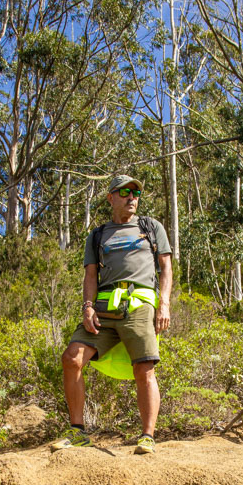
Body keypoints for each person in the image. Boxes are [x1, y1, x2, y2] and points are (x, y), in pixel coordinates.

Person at [52, 174, 172, 454]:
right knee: (72, 358)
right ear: (110, 198)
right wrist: (88, 307)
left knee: (144, 367)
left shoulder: (151, 227)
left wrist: (164, 304)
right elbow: (90, 275)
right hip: (104, 308)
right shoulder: (98, 235)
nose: (132, 197)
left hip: (139, 303)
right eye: (124, 192)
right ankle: (77, 432)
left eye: (136, 193)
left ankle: (147, 436)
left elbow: (166, 267)